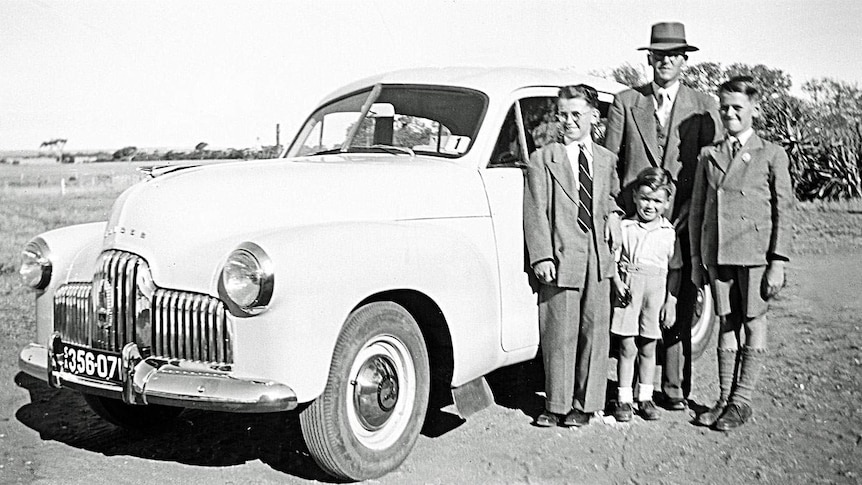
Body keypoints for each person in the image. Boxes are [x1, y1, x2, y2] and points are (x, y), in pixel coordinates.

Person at [603, 21, 721, 411]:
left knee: (678, 299)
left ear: (684, 60)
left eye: (673, 54)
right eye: (658, 54)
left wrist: (693, 210)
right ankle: (628, 391)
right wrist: (615, 213)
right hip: (637, 221)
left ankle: (671, 390)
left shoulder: (704, 106)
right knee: (632, 301)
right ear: (649, 58)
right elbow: (611, 162)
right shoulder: (625, 101)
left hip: (685, 218)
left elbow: (712, 164)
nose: (665, 61)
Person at [689, 76, 794, 430]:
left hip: (755, 255)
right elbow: (698, 212)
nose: (730, 113)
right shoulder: (710, 154)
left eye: (737, 107)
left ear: (755, 109)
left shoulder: (771, 153)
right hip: (718, 254)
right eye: (724, 107)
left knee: (753, 320)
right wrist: (696, 260)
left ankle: (742, 399)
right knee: (726, 321)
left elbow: (784, 210)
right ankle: (723, 398)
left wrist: (778, 261)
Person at [523, 84, 622, 427]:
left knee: (595, 332)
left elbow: (609, 198)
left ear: (594, 117)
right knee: (559, 331)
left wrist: (615, 216)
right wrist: (542, 257)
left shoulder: (607, 160)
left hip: (598, 257)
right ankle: (556, 404)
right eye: (562, 114)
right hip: (562, 255)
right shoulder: (543, 158)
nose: (567, 121)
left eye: (576, 114)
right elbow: (536, 211)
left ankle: (586, 403)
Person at [610, 167, 682, 422]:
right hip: (630, 289)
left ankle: (645, 396)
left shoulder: (669, 233)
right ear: (635, 198)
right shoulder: (626, 227)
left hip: (655, 293)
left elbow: (675, 270)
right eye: (644, 199)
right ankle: (624, 398)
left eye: (656, 201)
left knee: (649, 346)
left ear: (665, 203)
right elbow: (614, 260)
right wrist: (618, 283)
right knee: (627, 346)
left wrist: (670, 302)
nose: (649, 206)